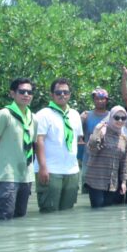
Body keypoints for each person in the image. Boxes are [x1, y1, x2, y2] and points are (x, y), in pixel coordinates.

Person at [0, 78, 37, 220]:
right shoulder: (5, 114)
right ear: (12, 94)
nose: (26, 94)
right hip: (8, 174)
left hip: (26, 175)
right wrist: (0, 164)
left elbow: (32, 146)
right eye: (22, 92)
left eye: (29, 92)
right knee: (5, 216)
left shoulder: (33, 118)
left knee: (21, 216)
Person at [34, 78, 83, 213]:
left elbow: (77, 141)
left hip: (71, 171)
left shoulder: (74, 114)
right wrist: (43, 168)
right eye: (58, 92)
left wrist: (78, 167)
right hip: (50, 171)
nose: (62, 95)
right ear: (52, 95)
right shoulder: (43, 114)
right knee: (49, 211)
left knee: (68, 212)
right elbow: (39, 141)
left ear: (70, 94)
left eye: (65, 92)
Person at [83, 106, 127, 208]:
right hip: (95, 180)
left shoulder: (124, 138)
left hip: (112, 182)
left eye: (123, 118)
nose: (120, 120)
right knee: (97, 211)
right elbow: (91, 150)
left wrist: (124, 182)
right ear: (111, 117)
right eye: (116, 117)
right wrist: (96, 132)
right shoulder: (101, 131)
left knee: (108, 212)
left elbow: (124, 163)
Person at [79, 87, 110, 177]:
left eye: (102, 99)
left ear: (106, 100)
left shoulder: (112, 116)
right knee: (86, 186)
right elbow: (77, 133)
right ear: (94, 100)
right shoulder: (86, 115)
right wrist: (81, 120)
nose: (100, 101)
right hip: (88, 157)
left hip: (106, 157)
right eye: (97, 99)